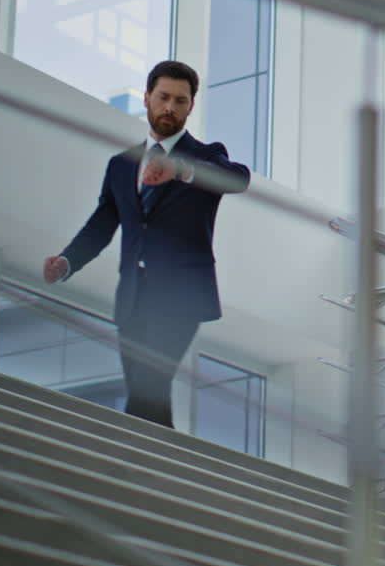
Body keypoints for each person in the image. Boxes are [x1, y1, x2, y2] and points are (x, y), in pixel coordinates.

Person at [43, 60, 251, 428]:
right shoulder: (122, 165)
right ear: (147, 98)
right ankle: (160, 473)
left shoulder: (204, 156)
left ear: (190, 106)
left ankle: (128, 465)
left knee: (150, 385)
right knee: (147, 395)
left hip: (181, 296)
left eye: (180, 101)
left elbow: (237, 179)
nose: (170, 107)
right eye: (164, 97)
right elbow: (102, 223)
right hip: (133, 298)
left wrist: (183, 171)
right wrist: (67, 261)